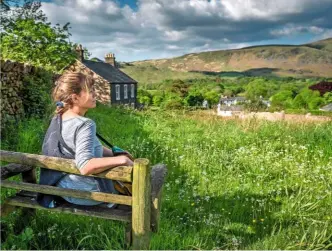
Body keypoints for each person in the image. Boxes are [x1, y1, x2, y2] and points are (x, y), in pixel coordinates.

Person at [48, 72, 134, 208]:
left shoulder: (58, 118)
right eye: (91, 91)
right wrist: (123, 160)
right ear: (75, 98)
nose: (95, 95)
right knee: (145, 183)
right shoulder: (85, 124)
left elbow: (89, 146)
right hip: (86, 193)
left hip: (62, 186)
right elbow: (85, 166)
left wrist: (115, 153)